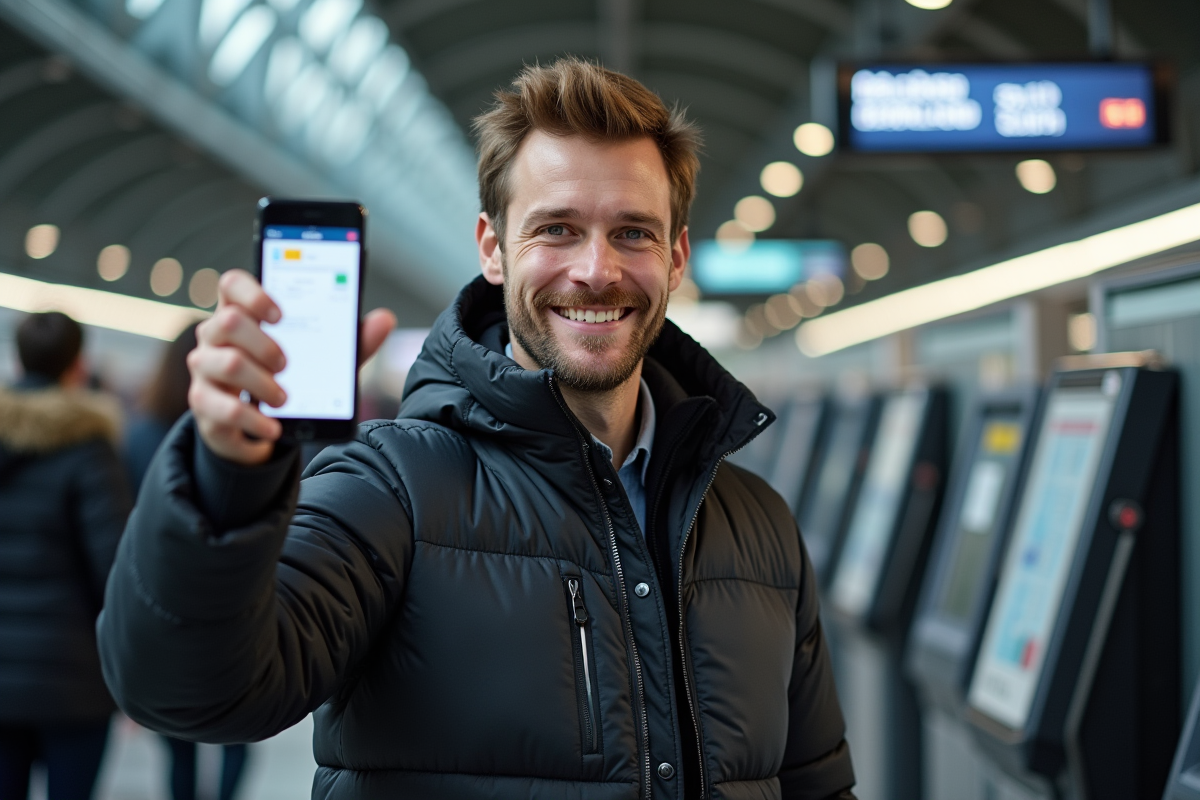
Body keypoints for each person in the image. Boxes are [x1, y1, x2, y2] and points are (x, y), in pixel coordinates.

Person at [99, 58, 856, 799]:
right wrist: (222, 477)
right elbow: (190, 691)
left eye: (633, 233)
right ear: (492, 249)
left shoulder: (759, 527)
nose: (596, 270)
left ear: (677, 256)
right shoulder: (389, 491)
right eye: (556, 229)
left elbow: (816, 785)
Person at [0, 312, 131, 800]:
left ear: (18, 360)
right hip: (73, 680)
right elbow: (114, 569)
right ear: (78, 365)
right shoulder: (89, 448)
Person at [123, 323, 250, 800]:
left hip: (162, 600)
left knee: (178, 743)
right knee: (238, 730)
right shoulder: (242, 434)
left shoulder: (141, 435)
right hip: (231, 599)